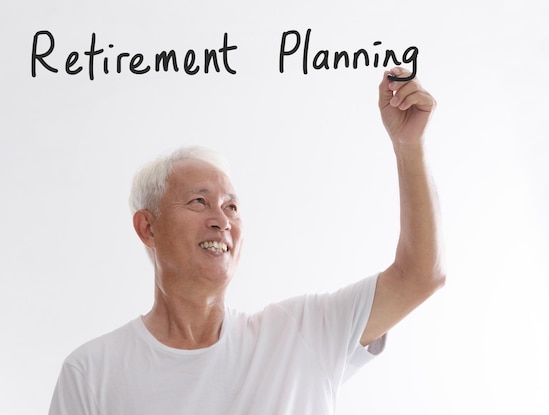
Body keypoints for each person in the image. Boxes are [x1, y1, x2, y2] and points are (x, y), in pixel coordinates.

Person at [48, 67, 445, 414]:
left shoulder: (301, 334)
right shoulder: (92, 373)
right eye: (199, 202)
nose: (221, 220)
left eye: (232, 207)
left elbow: (419, 277)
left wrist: (409, 147)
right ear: (148, 228)